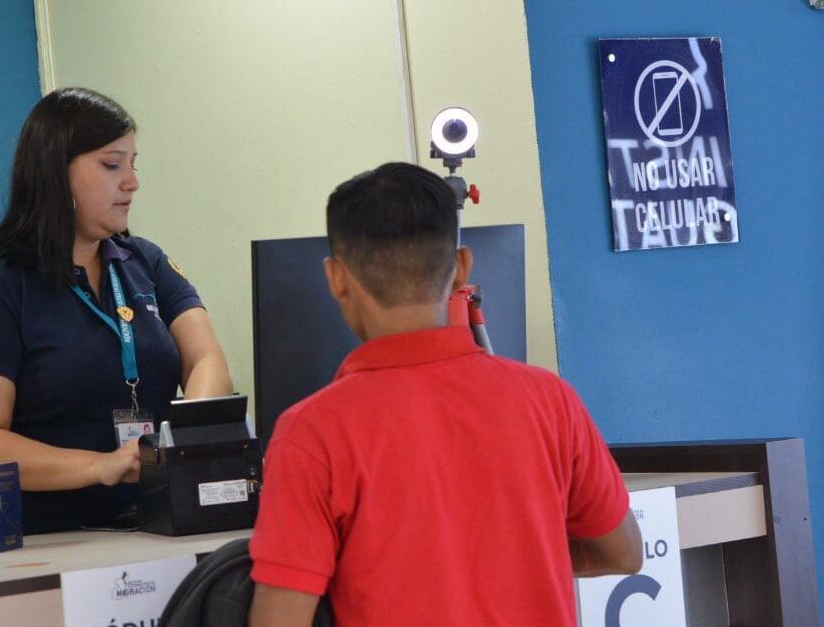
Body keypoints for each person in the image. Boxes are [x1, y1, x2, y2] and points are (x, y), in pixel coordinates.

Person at [248, 163, 641, 626]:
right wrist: (511, 565)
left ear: (336, 277)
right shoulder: (550, 400)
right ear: (462, 271)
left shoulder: (311, 433)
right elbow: (624, 554)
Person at [0, 88, 233, 534]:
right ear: (56, 173)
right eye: (112, 164)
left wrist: (184, 443)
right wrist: (102, 466)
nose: (132, 181)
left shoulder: (146, 263)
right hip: (50, 542)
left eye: (134, 164)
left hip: (159, 524)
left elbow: (206, 357)